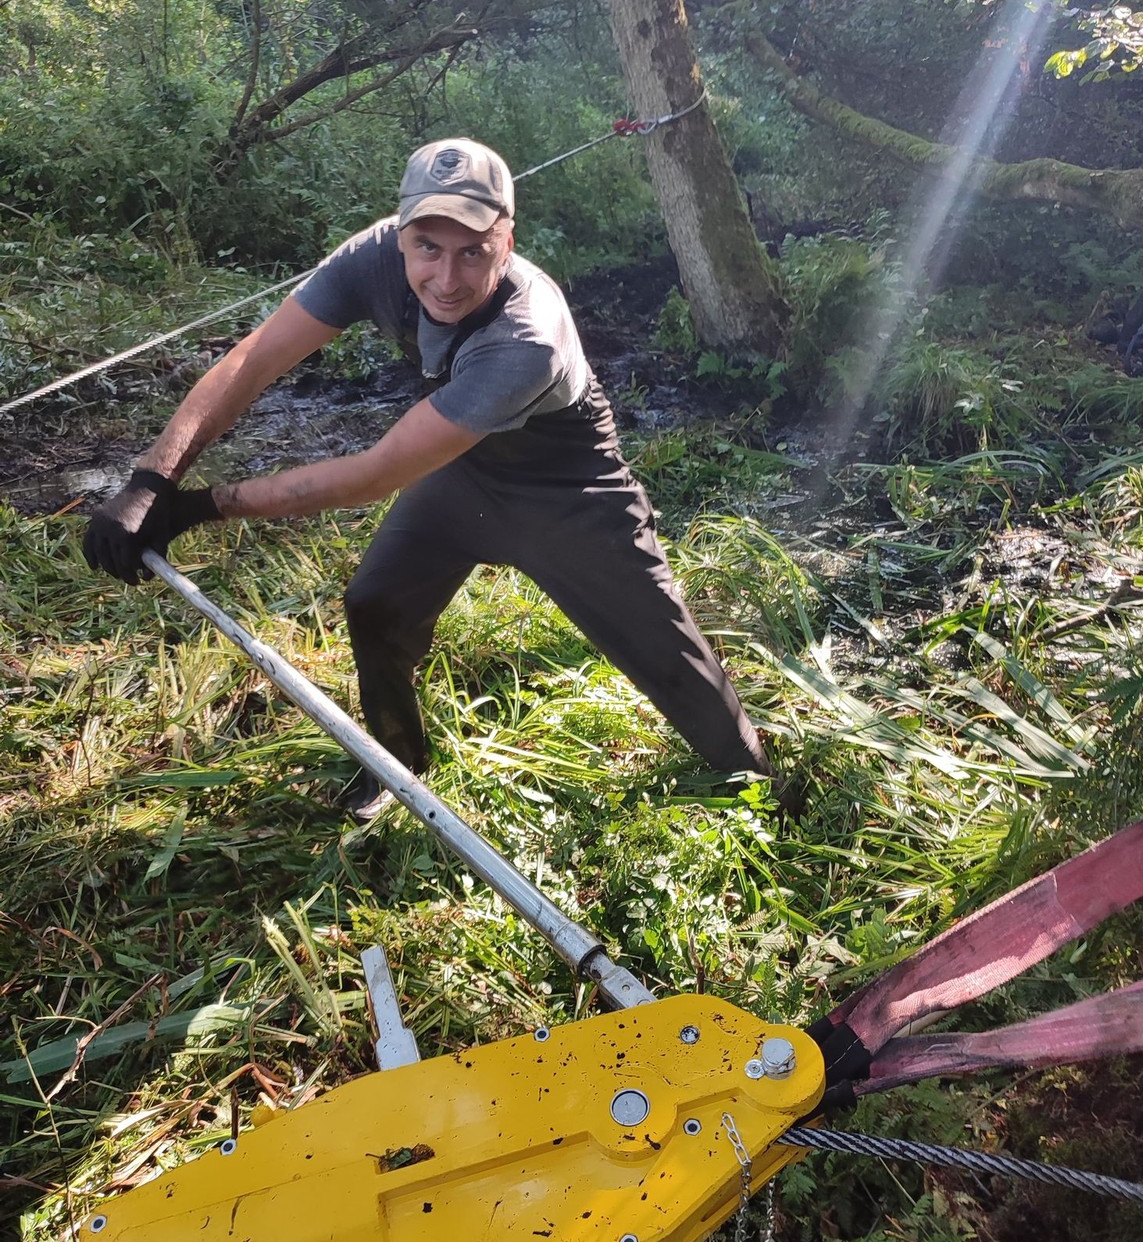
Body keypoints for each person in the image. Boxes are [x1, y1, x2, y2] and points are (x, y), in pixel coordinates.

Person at [83, 138, 774, 820]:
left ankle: (754, 783)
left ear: (507, 239)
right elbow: (253, 361)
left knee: (667, 654)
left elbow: (372, 475)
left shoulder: (526, 340)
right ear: (402, 232)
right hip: (464, 472)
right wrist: (152, 479)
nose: (447, 278)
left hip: (569, 487)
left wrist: (200, 507)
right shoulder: (374, 257)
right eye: (428, 248)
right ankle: (397, 765)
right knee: (375, 605)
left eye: (474, 250)